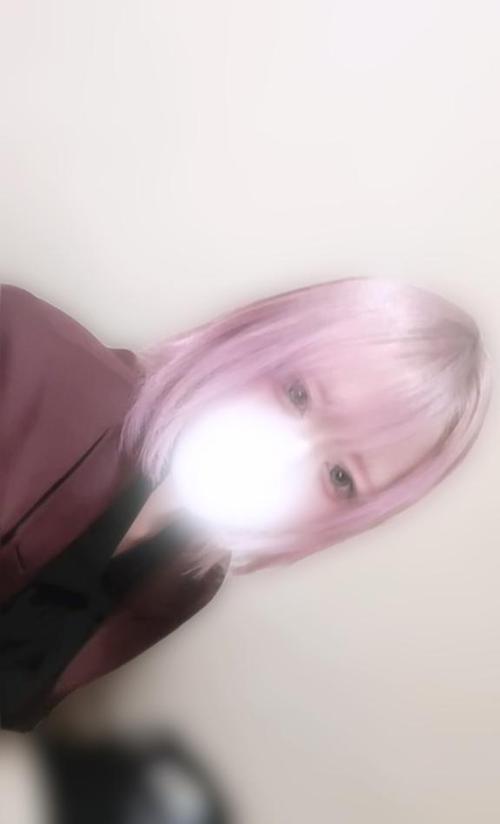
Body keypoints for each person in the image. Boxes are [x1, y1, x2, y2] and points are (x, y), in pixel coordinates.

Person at [0, 277, 492, 731]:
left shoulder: (187, 581)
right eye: (297, 394)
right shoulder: (21, 351)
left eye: (340, 477)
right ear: (252, 340)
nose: (285, 458)